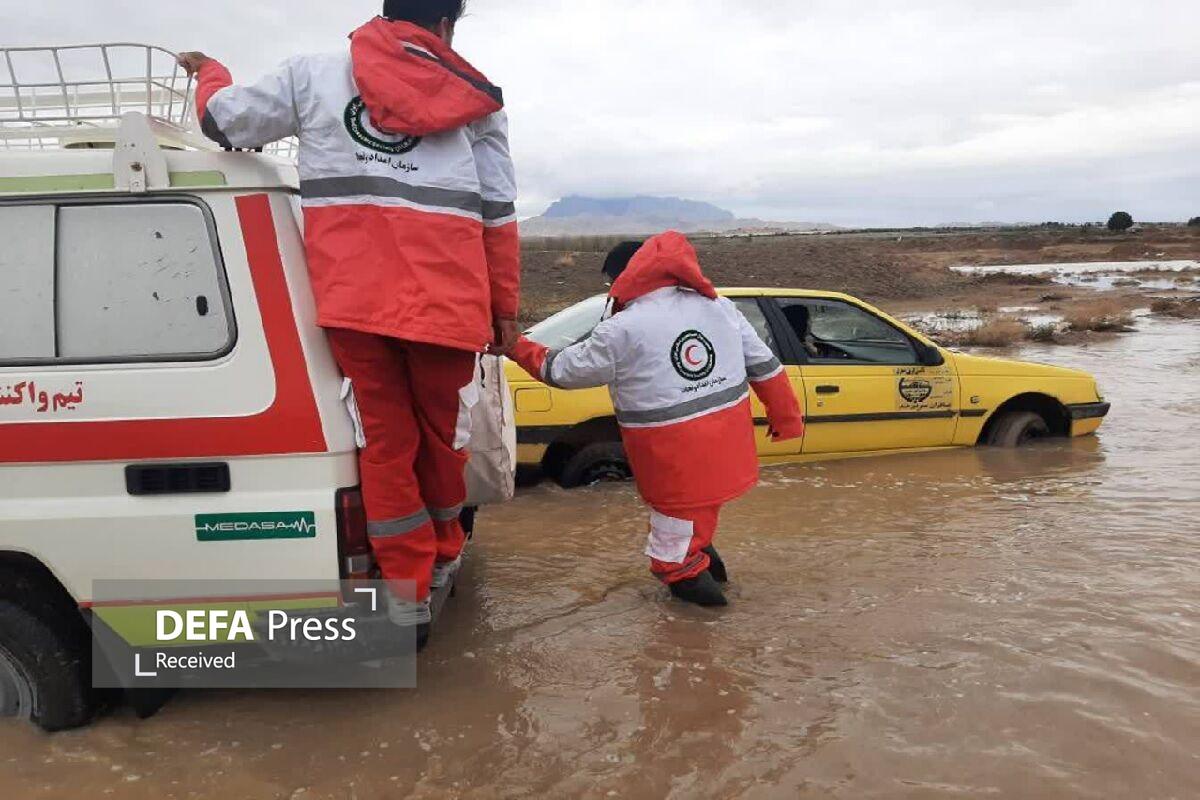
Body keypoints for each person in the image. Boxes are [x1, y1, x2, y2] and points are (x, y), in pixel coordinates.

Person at [177, 0, 521, 627]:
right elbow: (497, 213)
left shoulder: (311, 75)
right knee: (443, 439)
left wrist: (210, 72)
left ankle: (406, 591)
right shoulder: (477, 100)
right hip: (448, 306)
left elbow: (224, 121)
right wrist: (504, 308)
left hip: (354, 303)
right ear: (446, 26)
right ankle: (444, 552)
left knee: (386, 444)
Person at [510, 233, 805, 606]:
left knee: (674, 561)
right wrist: (787, 419)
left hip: (674, 461)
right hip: (727, 450)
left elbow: (565, 371)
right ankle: (724, 604)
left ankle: (710, 631)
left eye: (610, 282)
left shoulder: (624, 327)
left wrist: (514, 345)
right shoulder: (720, 308)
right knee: (697, 531)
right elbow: (766, 367)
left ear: (624, 276)